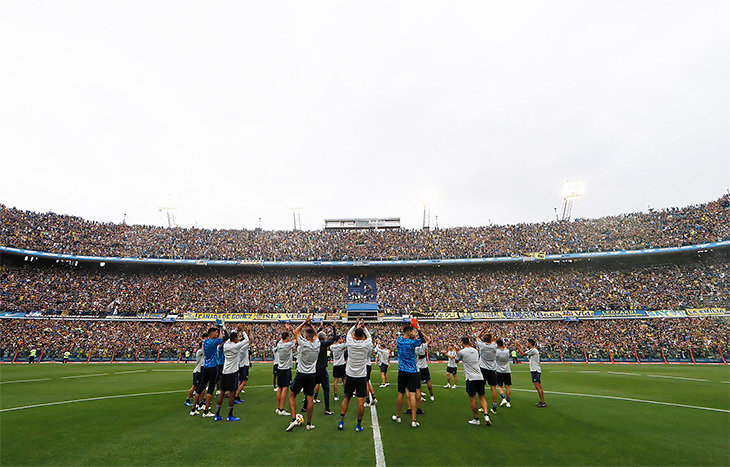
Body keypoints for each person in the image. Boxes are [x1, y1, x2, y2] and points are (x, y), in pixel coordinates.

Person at [338, 318, 373, 432]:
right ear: (363, 336)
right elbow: (370, 338)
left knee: (346, 398)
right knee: (360, 402)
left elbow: (348, 333)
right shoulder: (366, 344)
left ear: (354, 335)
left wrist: (355, 325)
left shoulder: (350, 342)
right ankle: (358, 425)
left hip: (350, 375)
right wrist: (364, 327)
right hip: (361, 376)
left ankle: (341, 421)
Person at [286, 316, 320, 432]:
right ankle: (309, 424)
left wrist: (304, 322)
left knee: (291, 395)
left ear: (306, 335)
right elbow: (315, 335)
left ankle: (293, 418)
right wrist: (310, 325)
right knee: (309, 398)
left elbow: (295, 332)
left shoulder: (303, 344)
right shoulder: (317, 344)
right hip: (311, 374)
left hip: (301, 373)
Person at [392, 324, 430, 428]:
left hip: (402, 370)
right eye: (413, 331)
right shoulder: (413, 342)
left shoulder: (399, 340)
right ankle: (413, 420)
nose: (414, 333)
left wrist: (412, 333)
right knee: (412, 394)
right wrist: (419, 330)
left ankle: (398, 416)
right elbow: (422, 340)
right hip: (413, 371)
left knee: (401, 394)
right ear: (409, 333)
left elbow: (402, 336)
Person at [190, 325, 229, 417]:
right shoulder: (213, 342)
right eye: (216, 332)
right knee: (210, 389)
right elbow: (226, 337)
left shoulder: (206, 341)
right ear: (212, 333)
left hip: (205, 367)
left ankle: (193, 409)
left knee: (200, 388)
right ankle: (206, 411)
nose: (217, 334)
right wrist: (223, 328)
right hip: (213, 367)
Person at [455, 336, 491, 426]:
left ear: (462, 343)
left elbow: (456, 361)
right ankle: (486, 415)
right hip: (480, 376)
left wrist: (457, 351)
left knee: (473, 400)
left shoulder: (461, 352)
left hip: (471, 378)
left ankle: (476, 418)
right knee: (482, 397)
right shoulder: (475, 350)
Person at [214, 331, 249, 421]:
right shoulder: (235, 346)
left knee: (222, 393)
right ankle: (230, 415)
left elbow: (229, 339)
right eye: (237, 337)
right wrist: (243, 331)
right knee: (232, 394)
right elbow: (247, 340)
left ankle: (217, 414)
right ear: (235, 339)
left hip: (225, 372)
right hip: (233, 372)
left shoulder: (226, 345)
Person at [312, 323, 338, 415]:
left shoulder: (314, 343)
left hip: (315, 369)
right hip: (322, 369)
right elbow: (334, 339)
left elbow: (314, 336)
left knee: (311, 389)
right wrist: (334, 328)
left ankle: (305, 407)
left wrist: (319, 329)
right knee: (326, 389)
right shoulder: (323, 344)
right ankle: (327, 409)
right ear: (324, 338)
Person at [517, 338, 546, 407]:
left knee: (538, 386)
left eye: (527, 343)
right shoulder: (532, 350)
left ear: (530, 343)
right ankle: (542, 401)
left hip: (535, 370)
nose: (526, 344)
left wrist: (518, 347)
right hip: (536, 370)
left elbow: (523, 354)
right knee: (538, 386)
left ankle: (543, 402)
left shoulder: (533, 350)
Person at [476, 327, 499, 414]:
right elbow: (493, 340)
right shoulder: (494, 346)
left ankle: (483, 406)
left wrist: (483, 330)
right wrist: (491, 334)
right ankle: (494, 406)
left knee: (482, 388)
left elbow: (477, 337)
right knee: (493, 388)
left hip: (483, 369)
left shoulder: (482, 345)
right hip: (492, 369)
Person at [275, 326, 295, 416]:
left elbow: (283, 338)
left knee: (279, 388)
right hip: (285, 369)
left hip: (280, 368)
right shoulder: (288, 344)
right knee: (285, 389)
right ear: (287, 338)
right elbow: (297, 339)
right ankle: (281, 409)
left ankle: (277, 408)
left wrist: (287, 331)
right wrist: (292, 330)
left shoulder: (279, 344)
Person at [234, 324, 251, 404]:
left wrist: (247, 331)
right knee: (244, 382)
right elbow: (248, 340)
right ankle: (236, 396)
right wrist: (244, 331)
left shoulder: (238, 346)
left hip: (240, 365)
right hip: (243, 365)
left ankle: (236, 395)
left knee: (240, 381)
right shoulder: (243, 347)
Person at [185, 341, 205, 407]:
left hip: (200, 371)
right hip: (197, 371)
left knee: (200, 386)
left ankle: (199, 401)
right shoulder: (200, 351)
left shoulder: (201, 351)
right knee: (194, 386)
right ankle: (187, 399)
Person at [495, 339, 512, 408]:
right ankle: (508, 402)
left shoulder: (497, 352)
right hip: (507, 370)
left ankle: (503, 398)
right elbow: (505, 348)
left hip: (499, 371)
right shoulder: (507, 351)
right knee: (507, 386)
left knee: (499, 386)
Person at [330, 336, 347, 401]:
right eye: (341, 338)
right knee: (344, 380)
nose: (342, 339)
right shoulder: (341, 346)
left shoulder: (332, 346)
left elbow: (331, 345)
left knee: (335, 381)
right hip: (342, 364)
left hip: (335, 365)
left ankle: (335, 395)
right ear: (338, 339)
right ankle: (346, 393)